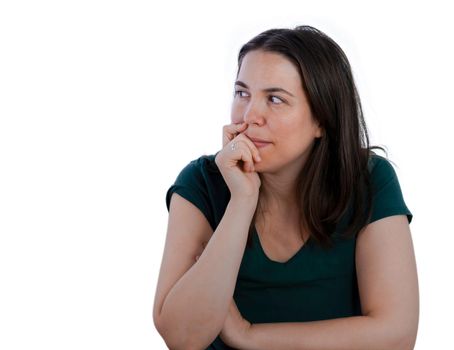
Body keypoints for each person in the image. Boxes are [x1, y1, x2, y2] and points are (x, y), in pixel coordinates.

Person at [153, 25, 419, 350]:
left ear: (322, 119)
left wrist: (250, 336)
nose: (250, 116)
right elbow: (181, 338)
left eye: (275, 99)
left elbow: (396, 335)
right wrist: (242, 200)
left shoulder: (369, 180)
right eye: (242, 93)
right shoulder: (201, 182)